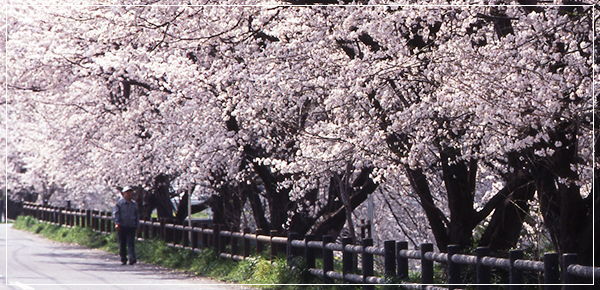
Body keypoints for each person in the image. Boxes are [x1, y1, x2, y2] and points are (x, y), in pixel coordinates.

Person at [113, 186, 140, 265]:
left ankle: (132, 258)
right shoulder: (119, 203)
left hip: (131, 226)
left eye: (130, 192)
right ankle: (123, 258)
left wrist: (138, 226)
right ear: (123, 194)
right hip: (122, 226)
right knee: (122, 243)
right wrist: (117, 223)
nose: (129, 194)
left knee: (131, 242)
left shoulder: (134, 204)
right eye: (127, 192)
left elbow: (137, 216)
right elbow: (116, 214)